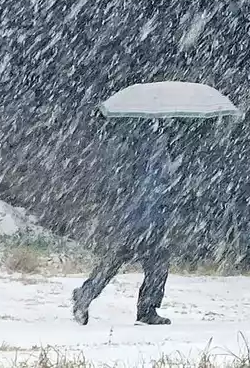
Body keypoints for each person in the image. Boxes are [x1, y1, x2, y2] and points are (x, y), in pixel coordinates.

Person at [72, 119, 183, 326]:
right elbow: (151, 182)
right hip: (141, 216)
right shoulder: (147, 143)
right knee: (149, 263)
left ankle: (88, 295)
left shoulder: (144, 142)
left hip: (141, 216)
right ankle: (144, 310)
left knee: (133, 262)